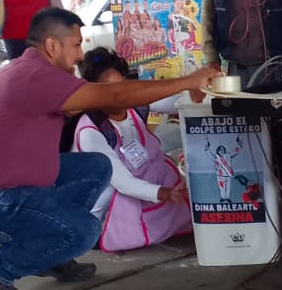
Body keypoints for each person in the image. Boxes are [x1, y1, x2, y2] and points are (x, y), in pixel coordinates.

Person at [0, 8, 221, 290]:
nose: (80, 55)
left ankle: (51, 256)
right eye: (76, 45)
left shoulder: (33, 72)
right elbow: (115, 96)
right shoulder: (36, 77)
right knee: (82, 232)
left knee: (96, 167)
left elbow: (120, 96)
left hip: (16, 188)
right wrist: (188, 80)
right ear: (53, 46)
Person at [70, 48, 191, 252]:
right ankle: (97, 234)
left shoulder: (135, 104)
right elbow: (123, 183)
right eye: (110, 91)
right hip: (108, 199)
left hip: (140, 184)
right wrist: (165, 193)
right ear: (94, 92)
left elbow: (174, 102)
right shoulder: (90, 129)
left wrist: (195, 93)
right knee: (113, 190)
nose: (120, 95)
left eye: (123, 87)